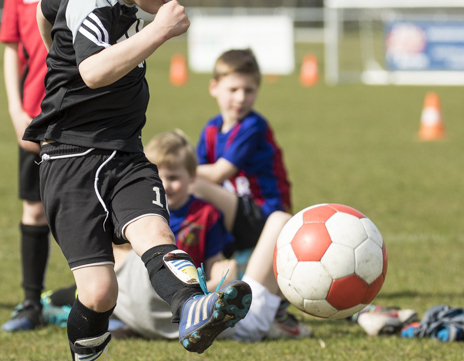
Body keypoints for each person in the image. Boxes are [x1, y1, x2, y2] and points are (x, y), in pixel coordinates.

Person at [24, 0, 252, 361]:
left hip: (125, 155)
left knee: (154, 233)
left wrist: (49, 18)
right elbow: (96, 70)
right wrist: (156, 33)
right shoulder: (91, 3)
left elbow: (44, 9)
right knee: (98, 291)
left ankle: (193, 308)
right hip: (69, 161)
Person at [44, 130, 291, 343]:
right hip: (218, 317)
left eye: (173, 177)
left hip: (176, 311)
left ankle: (277, 311)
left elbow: (215, 265)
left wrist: (219, 284)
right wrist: (223, 288)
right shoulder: (141, 219)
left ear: (192, 178)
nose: (164, 184)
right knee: (280, 221)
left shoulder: (203, 215)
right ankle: (277, 312)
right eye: (157, 177)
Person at [0, 0, 90, 332]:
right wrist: (16, 112)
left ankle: (97, 300)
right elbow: (12, 51)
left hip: (86, 118)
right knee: (34, 208)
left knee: (91, 210)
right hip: (35, 118)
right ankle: (30, 303)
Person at [190, 48, 312, 339]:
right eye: (233, 89)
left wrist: (165, 166)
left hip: (266, 217)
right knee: (188, 196)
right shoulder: (210, 130)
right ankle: (273, 308)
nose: (241, 97)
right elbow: (194, 169)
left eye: (249, 90)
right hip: (234, 221)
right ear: (214, 87)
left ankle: (274, 306)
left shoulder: (253, 125)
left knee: (192, 185)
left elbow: (218, 173)